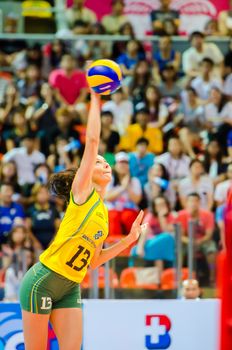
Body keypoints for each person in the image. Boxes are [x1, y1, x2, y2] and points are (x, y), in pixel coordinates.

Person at [19, 84, 145, 350]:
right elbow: (93, 141)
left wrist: (129, 240)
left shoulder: (102, 211)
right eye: (99, 162)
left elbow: (94, 261)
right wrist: (96, 100)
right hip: (43, 280)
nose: (105, 163)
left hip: (71, 285)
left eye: (105, 161)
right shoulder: (82, 191)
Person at [176, 192, 217, 286]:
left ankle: (212, 278)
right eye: (191, 201)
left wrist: (199, 241)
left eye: (196, 201)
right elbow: (180, 236)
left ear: (199, 203)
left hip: (203, 241)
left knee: (211, 250)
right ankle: (179, 279)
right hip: (186, 241)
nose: (193, 203)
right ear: (186, 203)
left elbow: (209, 234)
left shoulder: (208, 215)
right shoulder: (181, 215)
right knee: (179, 250)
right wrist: (190, 241)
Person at [105, 151, 142, 236]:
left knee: (127, 216)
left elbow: (137, 200)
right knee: (113, 217)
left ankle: (133, 243)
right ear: (115, 165)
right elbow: (107, 197)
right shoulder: (109, 179)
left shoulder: (135, 181)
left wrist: (127, 186)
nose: (123, 165)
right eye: (121, 162)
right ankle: (114, 245)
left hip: (129, 209)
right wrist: (122, 187)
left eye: (126, 162)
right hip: (112, 209)